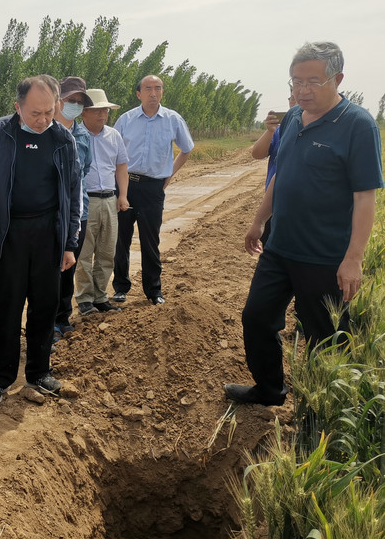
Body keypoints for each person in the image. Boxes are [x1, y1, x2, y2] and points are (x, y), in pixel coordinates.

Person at [226, 42, 383, 406]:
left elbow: (365, 198)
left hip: (325, 256)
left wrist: (354, 259)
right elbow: (281, 175)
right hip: (279, 247)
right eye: (296, 81)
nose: (302, 90)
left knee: (324, 335)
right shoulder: (294, 117)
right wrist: (258, 221)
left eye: (313, 81)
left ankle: (322, 410)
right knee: (256, 317)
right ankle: (269, 390)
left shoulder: (358, 125)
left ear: (337, 79)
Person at [0, 75, 81, 407]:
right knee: (6, 306)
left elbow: (72, 193)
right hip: (8, 233)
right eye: (36, 113)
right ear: (18, 107)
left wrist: (69, 243)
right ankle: (0, 376)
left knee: (45, 306)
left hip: (49, 233)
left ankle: (39, 371)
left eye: (49, 112)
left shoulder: (63, 139)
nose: (44, 119)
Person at [112, 75, 194, 305]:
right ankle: (120, 287)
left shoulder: (173, 119)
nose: (153, 93)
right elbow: (113, 151)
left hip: (153, 188)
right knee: (121, 238)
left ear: (162, 92)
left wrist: (170, 173)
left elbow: (187, 148)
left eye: (158, 88)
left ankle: (153, 290)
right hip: (126, 185)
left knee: (150, 240)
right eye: (148, 88)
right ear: (138, 94)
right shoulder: (126, 119)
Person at [74, 88, 130, 315]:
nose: (102, 114)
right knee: (84, 253)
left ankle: (100, 296)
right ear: (83, 112)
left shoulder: (114, 136)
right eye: (97, 110)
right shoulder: (76, 136)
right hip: (87, 201)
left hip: (109, 199)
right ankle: (85, 298)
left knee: (107, 251)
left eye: (105, 110)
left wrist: (123, 195)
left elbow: (121, 167)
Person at [53, 76, 92, 337]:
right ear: (58, 100)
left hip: (79, 212)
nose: (74, 105)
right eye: (70, 99)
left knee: (69, 266)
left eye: (79, 101)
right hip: (53, 212)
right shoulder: (47, 130)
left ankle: (62, 317)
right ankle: (45, 321)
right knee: (49, 270)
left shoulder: (83, 135)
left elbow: (84, 170)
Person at [251, 94, 297, 244]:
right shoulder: (280, 131)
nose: (295, 102)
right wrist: (270, 131)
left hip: (305, 207)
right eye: (292, 98)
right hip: (275, 204)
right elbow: (257, 154)